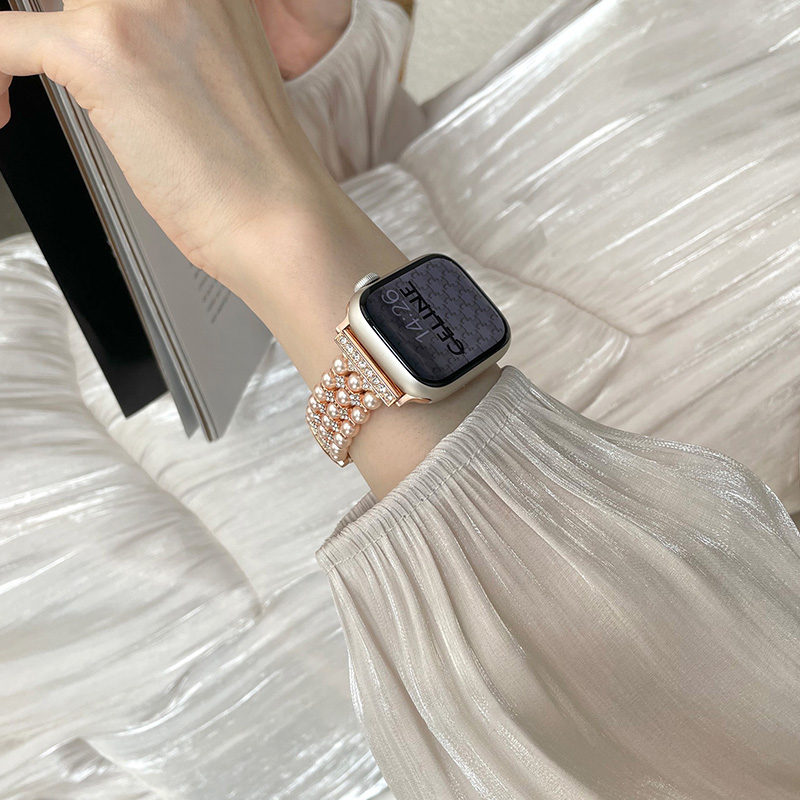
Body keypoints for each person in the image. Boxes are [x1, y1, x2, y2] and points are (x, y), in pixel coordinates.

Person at [0, 0, 799, 798]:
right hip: (81, 388)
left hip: (262, 683)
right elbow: (426, 195)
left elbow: (665, 742)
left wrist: (272, 219)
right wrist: (301, 72)